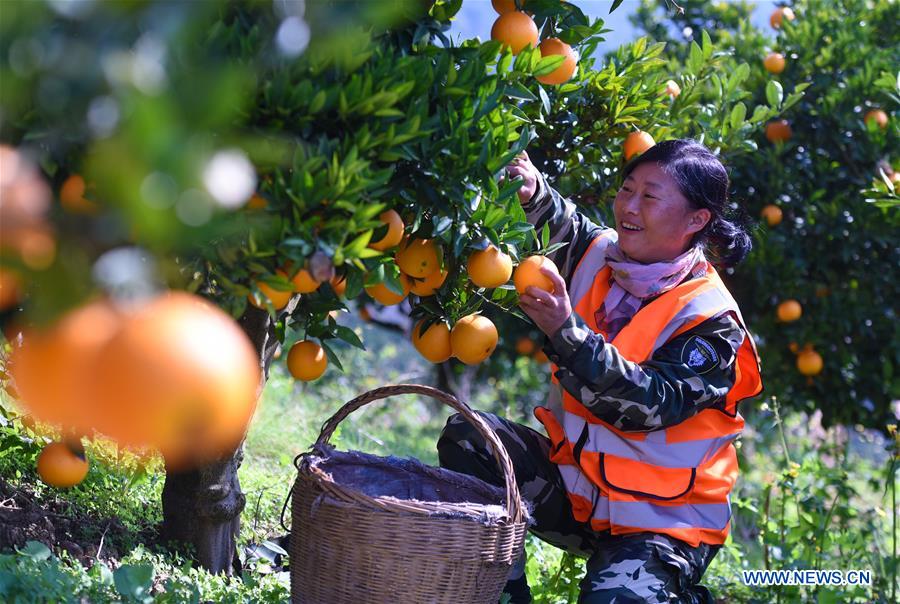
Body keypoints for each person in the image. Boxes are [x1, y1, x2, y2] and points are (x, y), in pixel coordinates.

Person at [437, 139, 763, 603]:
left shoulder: (710, 320)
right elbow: (562, 224)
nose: (629, 207)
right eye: (627, 189)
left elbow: (649, 405)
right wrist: (532, 191)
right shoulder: (601, 254)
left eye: (650, 197)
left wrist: (565, 333)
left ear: (697, 220)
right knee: (471, 439)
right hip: (578, 489)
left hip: (662, 520)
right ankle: (501, 595)